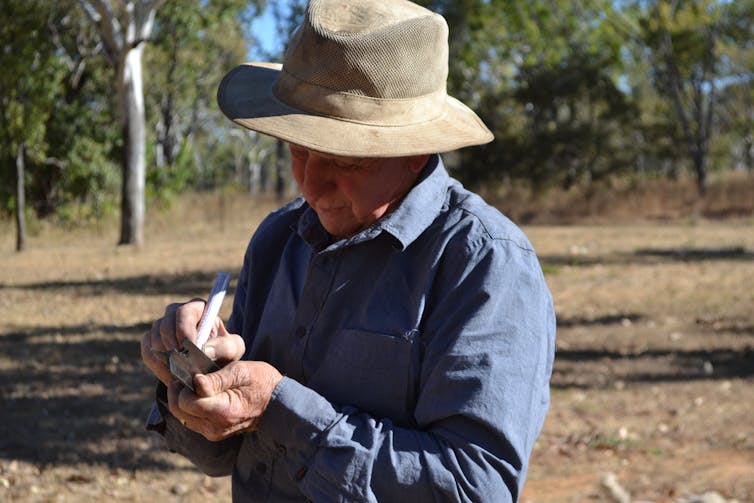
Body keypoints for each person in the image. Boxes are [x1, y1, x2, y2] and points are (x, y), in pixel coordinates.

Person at [141, 0, 555, 501]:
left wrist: (279, 409)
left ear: (415, 150)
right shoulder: (281, 238)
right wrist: (190, 383)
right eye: (297, 150)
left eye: (345, 160)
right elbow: (223, 453)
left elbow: (475, 487)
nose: (313, 187)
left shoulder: (483, 263)